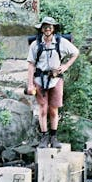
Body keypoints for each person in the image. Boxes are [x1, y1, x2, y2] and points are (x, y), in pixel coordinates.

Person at [27, 16, 79, 148]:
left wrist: (66, 66)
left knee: (54, 110)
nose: (47, 28)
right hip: (40, 79)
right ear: (41, 29)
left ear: (53, 28)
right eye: (45, 26)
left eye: (49, 26)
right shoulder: (35, 44)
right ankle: (44, 137)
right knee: (43, 110)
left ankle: (54, 137)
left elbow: (75, 52)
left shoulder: (61, 42)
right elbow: (31, 65)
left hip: (56, 80)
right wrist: (30, 83)